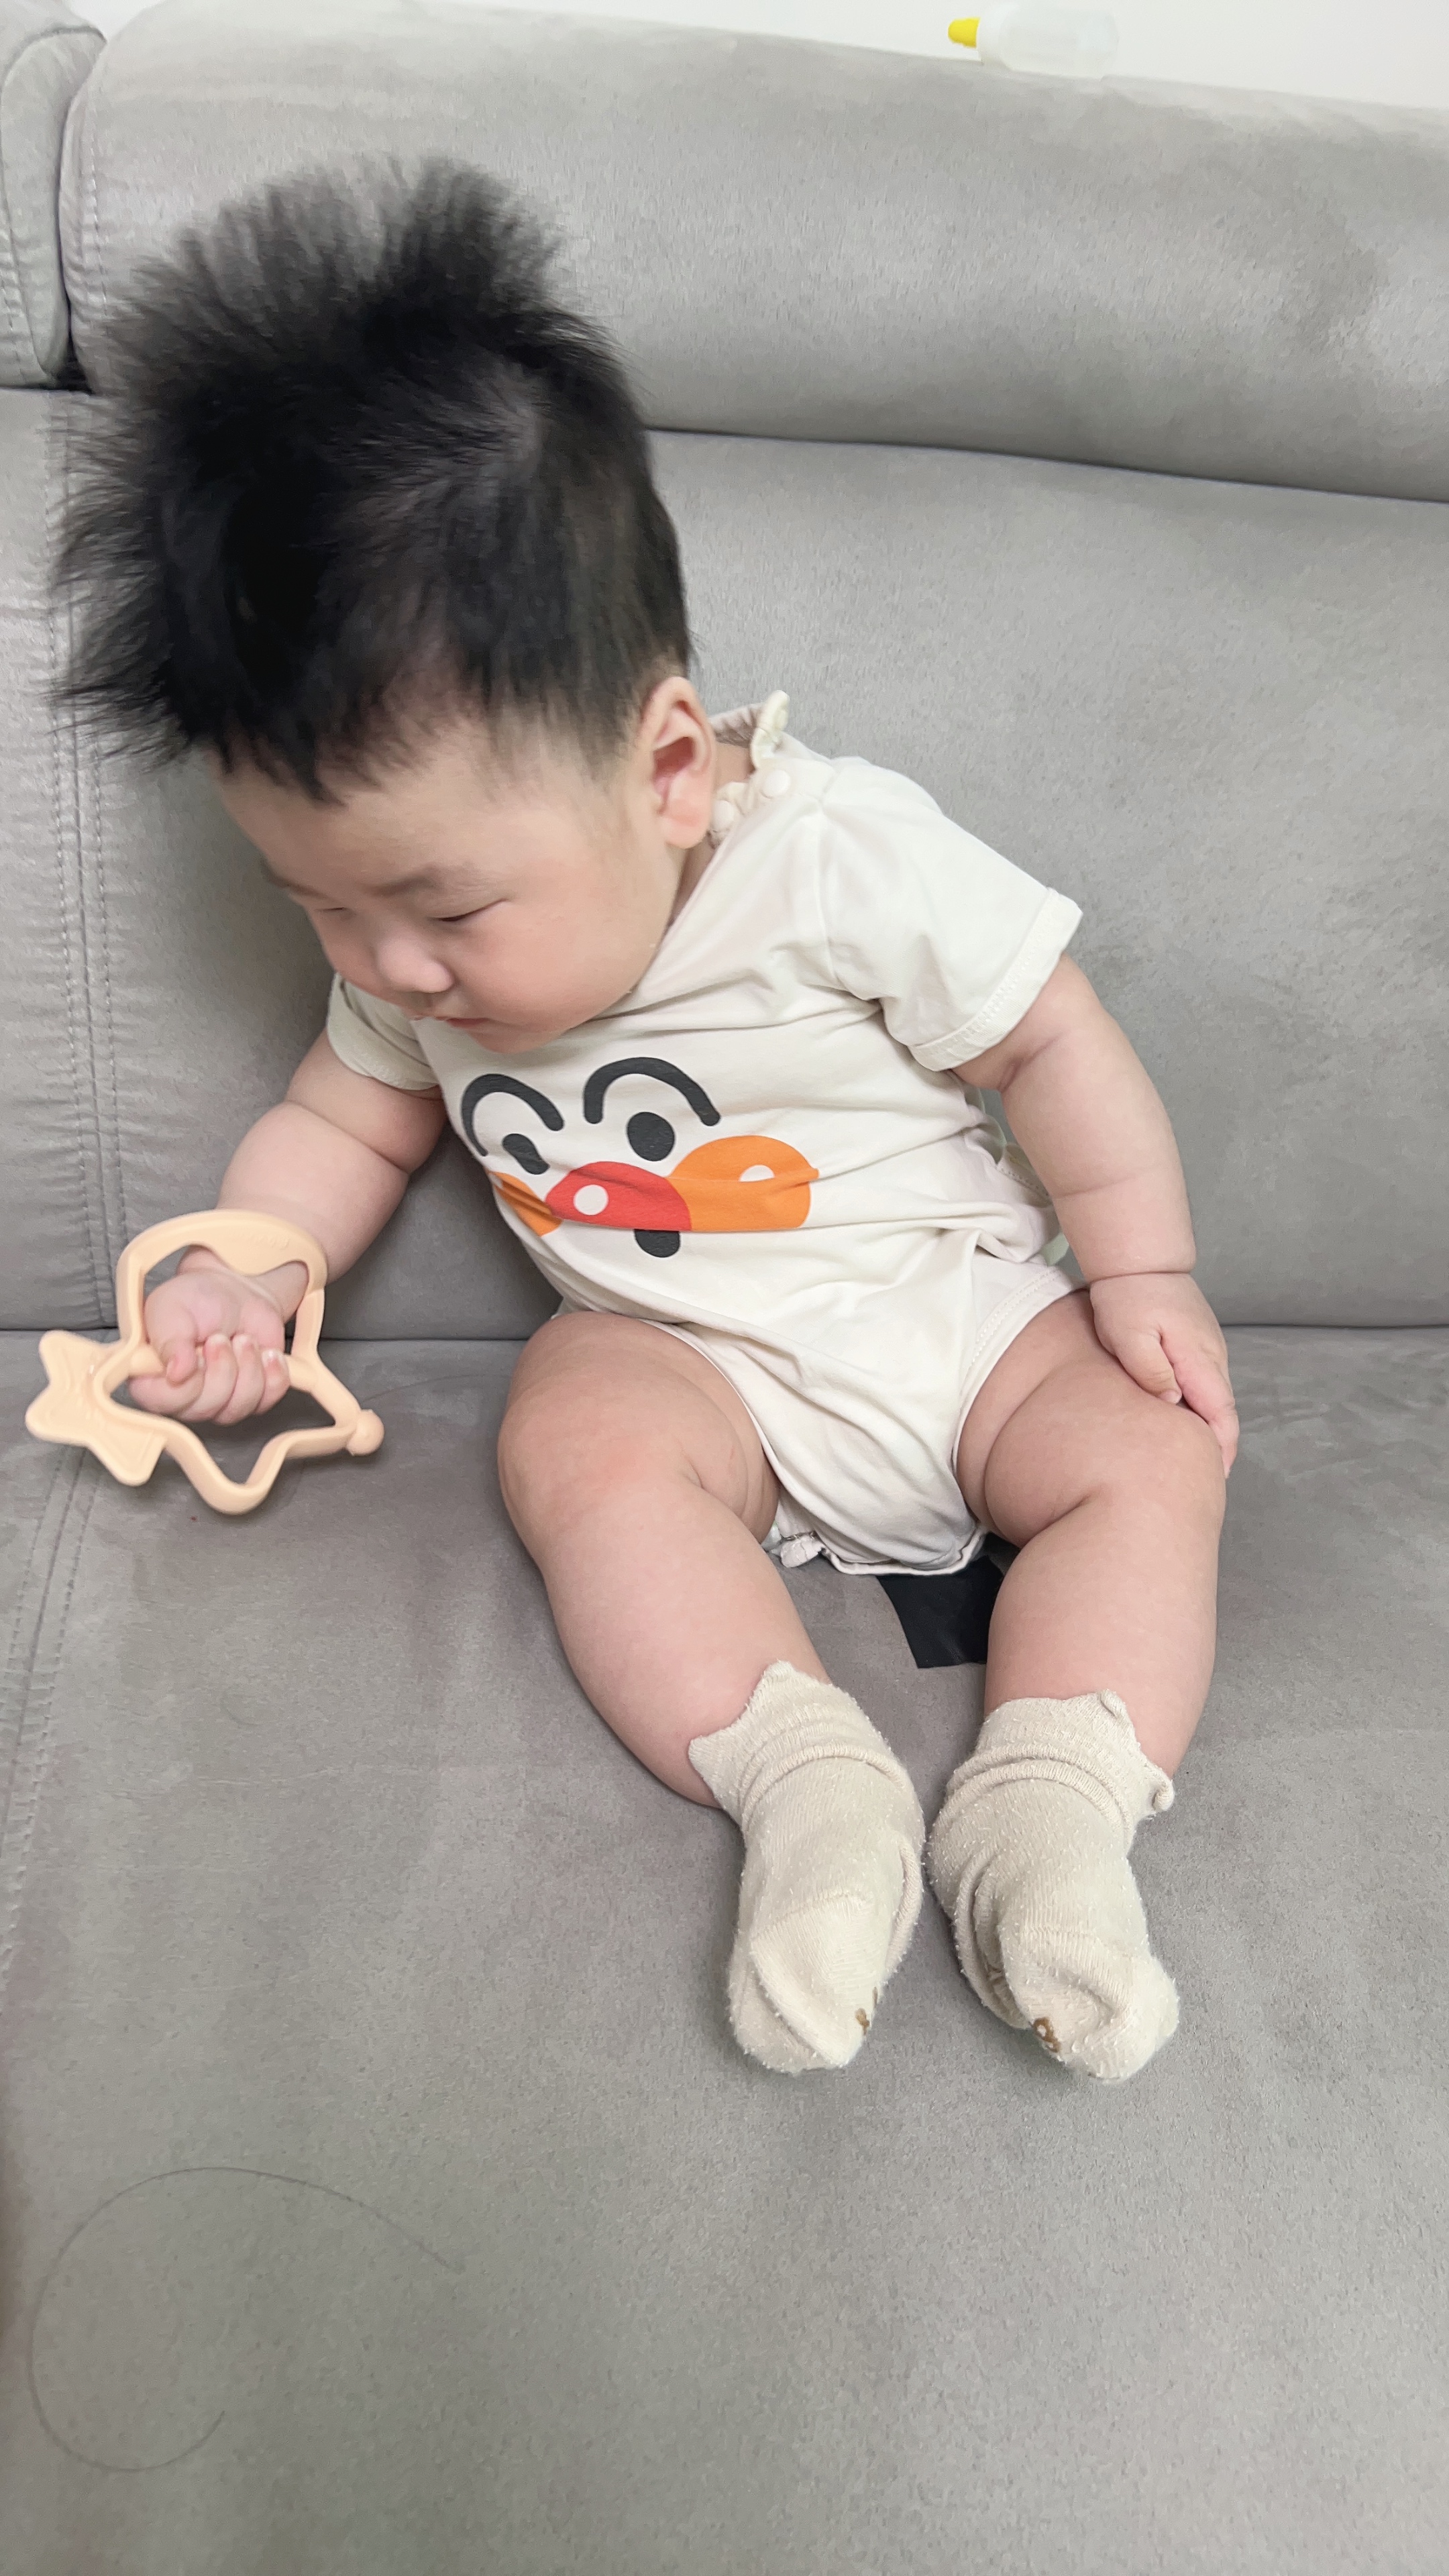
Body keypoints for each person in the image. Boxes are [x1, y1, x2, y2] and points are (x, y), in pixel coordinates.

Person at [61, 162, 1236, 2086]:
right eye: (322, 907)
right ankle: (803, 1782)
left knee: (1152, 1455)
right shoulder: (398, 973)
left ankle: (1054, 1803)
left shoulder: (838, 857)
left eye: (444, 906)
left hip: (957, 1319)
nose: (392, 966)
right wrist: (237, 1275)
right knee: (573, 1432)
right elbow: (339, 1128)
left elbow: (1050, 1040)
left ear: (671, 768)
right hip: (687, 1359)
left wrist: (1146, 1273)